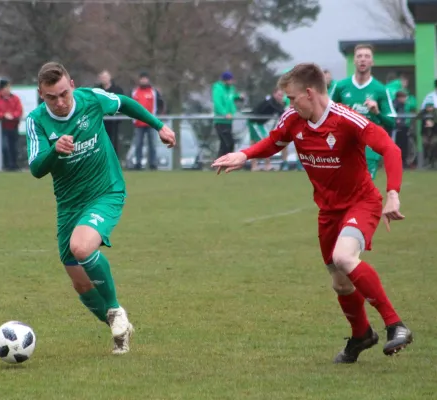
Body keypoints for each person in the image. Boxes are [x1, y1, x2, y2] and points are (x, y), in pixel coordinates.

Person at [212, 63, 413, 364]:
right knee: (341, 283)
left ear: (309, 93)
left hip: (361, 202)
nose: (289, 104)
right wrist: (244, 154)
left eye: (292, 98)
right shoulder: (294, 118)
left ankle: (396, 325)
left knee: (345, 258)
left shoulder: (346, 119)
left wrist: (393, 194)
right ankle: (361, 335)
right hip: (328, 211)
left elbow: (390, 149)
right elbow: (273, 142)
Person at [25, 62, 176, 355]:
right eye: (50, 97)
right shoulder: (36, 121)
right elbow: (36, 168)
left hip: (106, 191)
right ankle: (118, 328)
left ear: (71, 83)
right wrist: (54, 152)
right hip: (69, 205)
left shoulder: (90, 99)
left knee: (81, 248)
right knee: (80, 284)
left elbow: (125, 104)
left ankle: (116, 310)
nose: (59, 102)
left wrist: (159, 126)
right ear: (41, 95)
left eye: (63, 93)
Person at [330, 44, 396, 180]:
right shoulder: (341, 86)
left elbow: (392, 122)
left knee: (363, 187)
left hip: (370, 147)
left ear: (372, 61)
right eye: (359, 56)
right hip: (346, 145)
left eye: (367, 56)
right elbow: (327, 114)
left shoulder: (380, 90)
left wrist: (377, 112)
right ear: (354, 60)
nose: (363, 59)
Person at [247, 87, 285, 171]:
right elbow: (280, 112)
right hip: (254, 122)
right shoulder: (271, 102)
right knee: (265, 142)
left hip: (259, 123)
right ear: (274, 94)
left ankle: (256, 166)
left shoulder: (276, 103)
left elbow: (281, 111)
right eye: (279, 95)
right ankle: (264, 165)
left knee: (254, 142)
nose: (280, 97)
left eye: (282, 95)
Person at [96, 70, 124, 156]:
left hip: (114, 122)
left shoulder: (117, 90)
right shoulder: (96, 90)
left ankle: (114, 159)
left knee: (113, 141)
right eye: (102, 77)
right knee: (101, 141)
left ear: (110, 78)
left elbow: (122, 103)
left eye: (106, 77)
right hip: (100, 121)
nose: (104, 79)